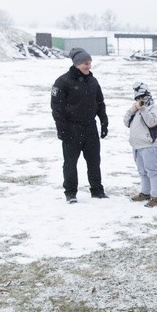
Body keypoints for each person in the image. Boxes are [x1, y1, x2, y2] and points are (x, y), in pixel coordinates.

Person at [50, 47, 109, 204]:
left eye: (90, 63)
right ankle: (70, 193)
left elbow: (100, 103)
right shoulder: (62, 82)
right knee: (70, 163)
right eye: (85, 63)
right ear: (76, 64)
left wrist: (104, 122)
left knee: (94, 161)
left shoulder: (93, 81)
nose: (88, 66)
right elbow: (57, 109)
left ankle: (97, 191)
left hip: (90, 128)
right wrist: (62, 129)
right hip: (71, 128)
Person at [124, 81, 157, 208]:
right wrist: (133, 109)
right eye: (138, 98)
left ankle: (156, 197)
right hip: (136, 145)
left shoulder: (154, 109)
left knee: (152, 171)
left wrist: (143, 109)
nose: (141, 100)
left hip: (149, 145)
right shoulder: (136, 110)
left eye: (143, 97)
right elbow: (126, 122)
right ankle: (145, 193)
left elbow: (152, 122)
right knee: (142, 171)